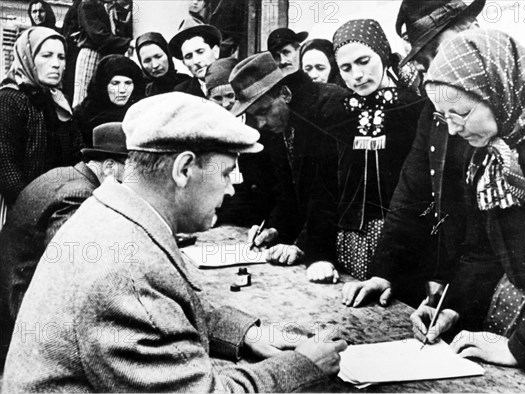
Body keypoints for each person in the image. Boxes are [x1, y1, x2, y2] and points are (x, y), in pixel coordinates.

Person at [2, 93, 347, 392]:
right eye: (226, 173)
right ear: (183, 169)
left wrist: (247, 335)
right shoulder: (125, 274)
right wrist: (303, 366)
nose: (230, 189)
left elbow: (164, 307)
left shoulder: (114, 213)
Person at [342, 0, 525, 310]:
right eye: (424, 63)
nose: (436, 68)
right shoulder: (438, 104)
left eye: (435, 51)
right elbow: (413, 188)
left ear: (471, 28)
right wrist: (384, 271)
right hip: (478, 276)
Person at [410, 28, 525, 393]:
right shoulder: (492, 151)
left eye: (461, 113)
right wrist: (453, 307)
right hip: (515, 313)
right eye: (443, 116)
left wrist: (521, 346)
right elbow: (482, 250)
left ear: (497, 90)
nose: (452, 128)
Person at [0, 122, 128, 371]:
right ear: (110, 167)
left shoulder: (65, 174)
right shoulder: (81, 195)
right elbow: (68, 270)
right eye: (131, 170)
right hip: (20, 303)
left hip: (9, 285)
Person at [304, 19, 424, 284]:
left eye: (363, 61)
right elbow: (324, 188)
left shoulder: (413, 110)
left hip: (406, 248)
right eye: (345, 68)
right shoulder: (336, 113)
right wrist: (319, 255)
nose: (356, 75)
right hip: (346, 244)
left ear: (382, 54)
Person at [229, 52, 348, 267]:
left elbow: (329, 190)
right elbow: (287, 191)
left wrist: (302, 244)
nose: (261, 123)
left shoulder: (330, 107)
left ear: (285, 93)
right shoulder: (281, 121)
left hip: (338, 244)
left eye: (264, 111)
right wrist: (275, 228)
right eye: (255, 116)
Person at [0, 27, 83, 206]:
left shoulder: (58, 101)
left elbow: (75, 156)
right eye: (46, 55)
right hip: (19, 206)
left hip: (59, 203)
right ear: (27, 58)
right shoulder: (9, 99)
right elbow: (6, 167)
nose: (56, 64)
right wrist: (37, 207)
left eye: (61, 57)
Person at [74, 54, 144, 147]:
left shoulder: (140, 114)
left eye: (128, 83)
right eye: (115, 83)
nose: (122, 90)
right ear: (103, 85)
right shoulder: (82, 115)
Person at [72, 0, 133, 107]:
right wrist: (128, 43)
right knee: (84, 97)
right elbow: (98, 35)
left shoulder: (113, 7)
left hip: (109, 56)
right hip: (92, 54)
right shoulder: (88, 4)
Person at [170, 17, 221, 98]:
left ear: (215, 51)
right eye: (188, 56)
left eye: (200, 52)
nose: (196, 61)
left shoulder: (235, 82)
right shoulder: (182, 94)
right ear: (184, 63)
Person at [135, 32, 191, 97]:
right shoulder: (144, 92)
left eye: (158, 56)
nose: (155, 65)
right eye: (147, 60)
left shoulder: (189, 85)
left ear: (168, 55)